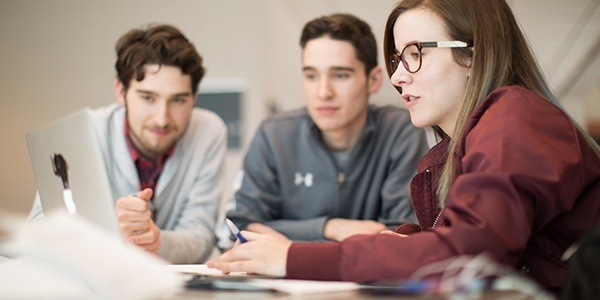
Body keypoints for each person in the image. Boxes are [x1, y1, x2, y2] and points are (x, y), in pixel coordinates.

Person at [208, 0, 600, 292]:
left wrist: (292, 258)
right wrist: (406, 242)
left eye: (416, 54)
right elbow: (465, 240)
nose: (399, 77)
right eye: (397, 58)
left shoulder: (514, 117)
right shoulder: (471, 138)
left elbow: (466, 255)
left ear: (472, 53)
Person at [28, 24, 228, 264]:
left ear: (194, 98)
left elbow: (200, 237)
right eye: (147, 98)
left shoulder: (208, 132)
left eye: (178, 100)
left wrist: (155, 242)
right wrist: (113, 230)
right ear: (121, 91)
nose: (162, 118)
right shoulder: (84, 132)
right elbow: (38, 230)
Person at [225, 13, 429, 242]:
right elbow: (241, 228)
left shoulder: (401, 131)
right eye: (311, 75)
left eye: (340, 75)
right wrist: (330, 228)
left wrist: (286, 241)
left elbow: (401, 235)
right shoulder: (274, 135)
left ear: (373, 80)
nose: (323, 93)